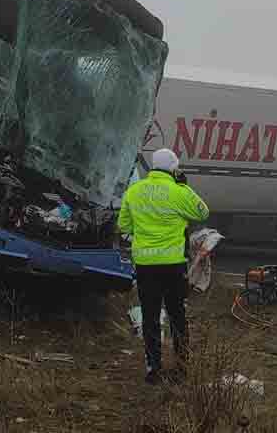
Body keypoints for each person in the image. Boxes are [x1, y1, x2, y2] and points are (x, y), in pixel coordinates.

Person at [118, 148, 210, 384]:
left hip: (146, 265)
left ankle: (153, 370)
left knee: (150, 317)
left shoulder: (134, 191)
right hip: (173, 266)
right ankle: (181, 368)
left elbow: (124, 226)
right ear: (173, 168)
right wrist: (184, 186)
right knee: (177, 315)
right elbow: (202, 212)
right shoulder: (178, 192)